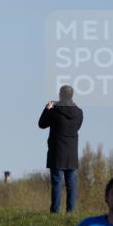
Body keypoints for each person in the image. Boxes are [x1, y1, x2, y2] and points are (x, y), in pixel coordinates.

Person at [39, 85, 84, 213]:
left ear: (60, 95)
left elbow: (41, 124)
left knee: (57, 183)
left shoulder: (54, 110)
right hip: (71, 152)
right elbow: (77, 127)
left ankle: (55, 211)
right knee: (71, 184)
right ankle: (70, 211)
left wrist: (47, 109)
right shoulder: (79, 112)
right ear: (72, 95)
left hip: (57, 151)